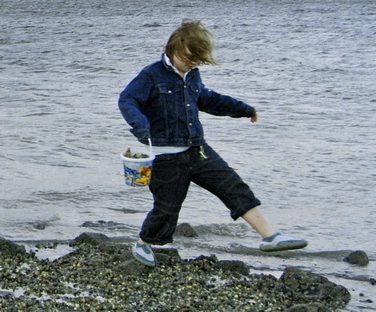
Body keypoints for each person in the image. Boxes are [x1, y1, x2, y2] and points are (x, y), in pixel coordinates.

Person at [118, 19, 306, 267]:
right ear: (173, 48)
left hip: (198, 150)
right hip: (166, 159)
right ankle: (143, 243)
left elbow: (208, 100)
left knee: (233, 186)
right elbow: (127, 100)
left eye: (197, 58)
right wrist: (141, 127)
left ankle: (271, 236)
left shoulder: (193, 76)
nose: (192, 62)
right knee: (166, 210)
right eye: (188, 57)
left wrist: (243, 109)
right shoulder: (151, 75)